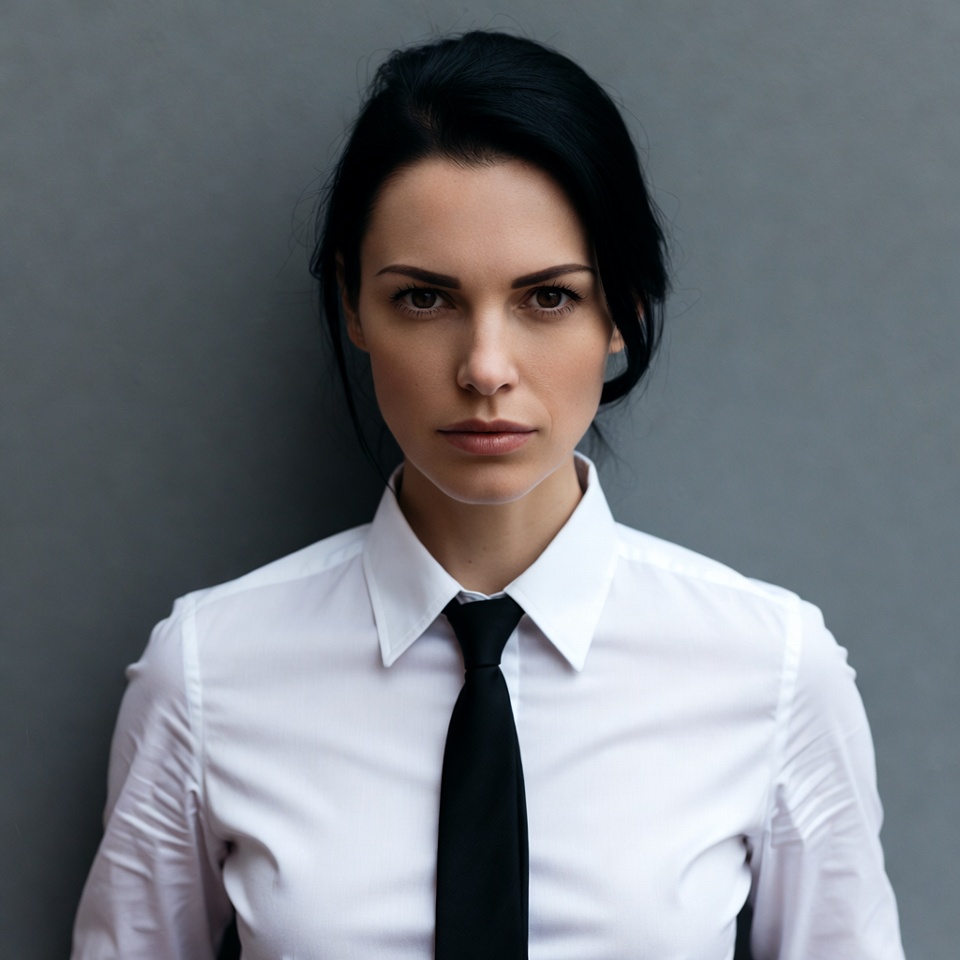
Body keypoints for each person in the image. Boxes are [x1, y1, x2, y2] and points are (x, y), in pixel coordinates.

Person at [72, 30, 905, 960]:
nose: (484, 369)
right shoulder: (206, 671)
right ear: (354, 304)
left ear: (624, 310)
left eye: (547, 298)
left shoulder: (774, 670)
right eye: (424, 299)